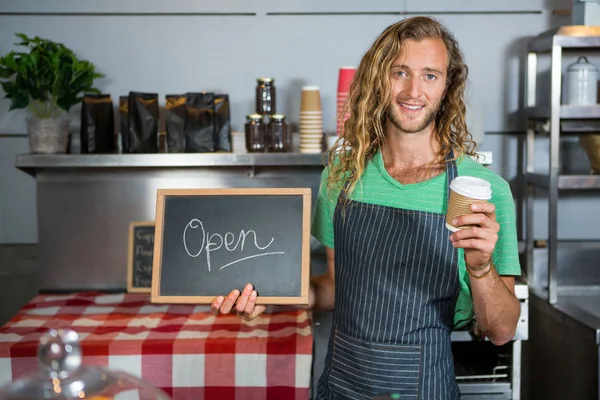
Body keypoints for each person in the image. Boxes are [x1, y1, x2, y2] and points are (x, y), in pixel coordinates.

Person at [211, 16, 521, 399]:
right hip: (341, 385)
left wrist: (480, 267)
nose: (413, 90)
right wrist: (271, 296)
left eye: (430, 76)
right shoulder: (342, 177)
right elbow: (334, 289)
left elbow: (502, 329)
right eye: (399, 72)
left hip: (425, 389)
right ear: (379, 79)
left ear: (447, 87)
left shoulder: (486, 192)